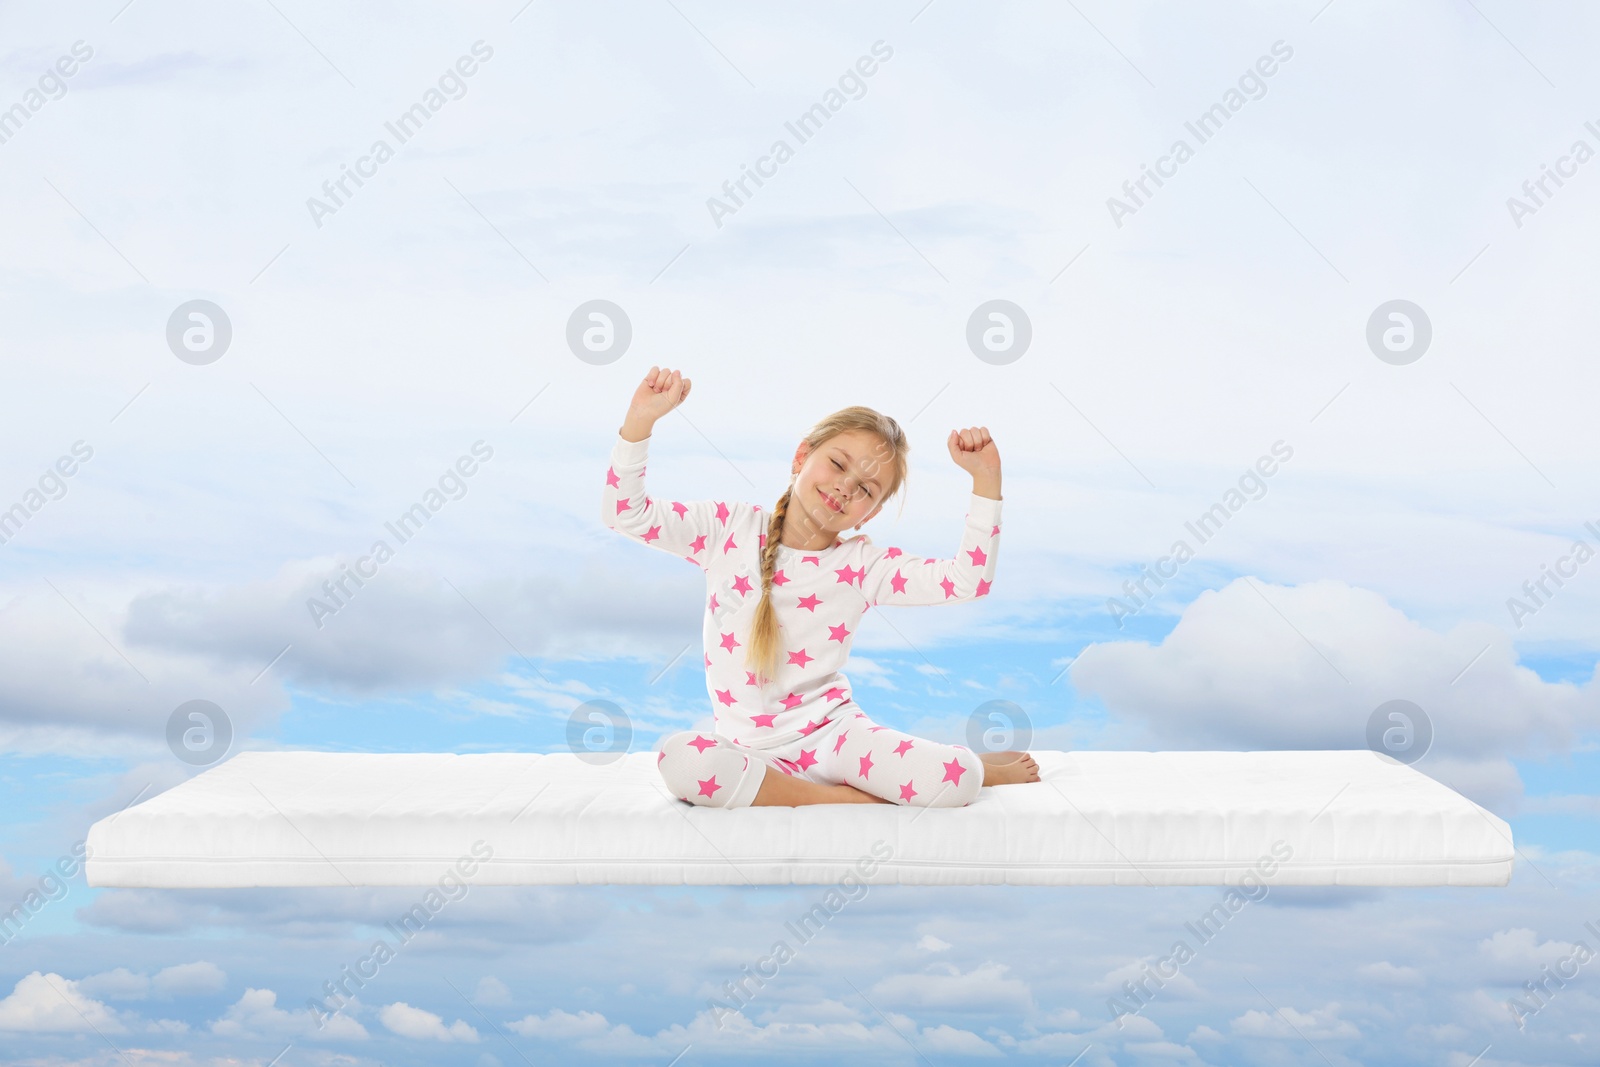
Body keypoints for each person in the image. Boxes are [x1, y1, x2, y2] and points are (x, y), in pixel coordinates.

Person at [602, 365, 1039, 808]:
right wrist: (641, 420)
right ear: (801, 457)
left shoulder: (862, 564)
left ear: (868, 515)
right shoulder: (727, 529)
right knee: (683, 760)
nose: (844, 488)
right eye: (836, 464)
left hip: (834, 739)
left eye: (866, 489)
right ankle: (843, 800)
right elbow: (626, 515)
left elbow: (967, 582)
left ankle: (966, 771)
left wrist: (985, 480)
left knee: (956, 777)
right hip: (746, 750)